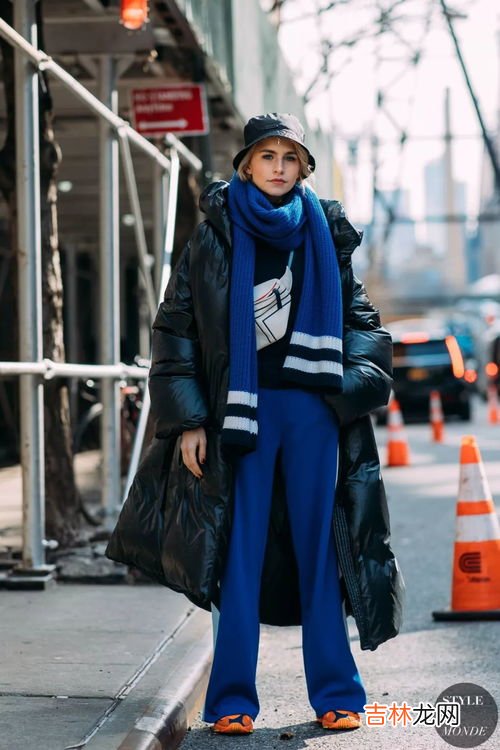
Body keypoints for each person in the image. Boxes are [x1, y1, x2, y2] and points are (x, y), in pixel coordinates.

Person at [106, 113, 404, 735]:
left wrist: (340, 390)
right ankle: (233, 702)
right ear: (245, 164)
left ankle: (337, 693)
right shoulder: (214, 234)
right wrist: (188, 420)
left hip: (311, 414)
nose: (277, 166)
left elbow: (365, 328)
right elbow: (176, 330)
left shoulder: (325, 230)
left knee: (320, 549)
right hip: (236, 415)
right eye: (265, 155)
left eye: (288, 157)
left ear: (302, 169)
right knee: (237, 554)